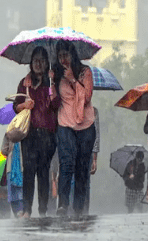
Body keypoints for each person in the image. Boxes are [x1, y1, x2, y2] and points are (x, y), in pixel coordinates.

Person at [12, 46, 59, 218]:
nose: (38, 64)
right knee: (29, 171)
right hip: (29, 134)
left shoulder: (51, 83)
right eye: (35, 60)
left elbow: (55, 105)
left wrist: (52, 85)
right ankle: (27, 210)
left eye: (42, 60)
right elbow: (15, 106)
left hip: (47, 134)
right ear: (31, 63)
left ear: (47, 63)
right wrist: (25, 105)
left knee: (43, 172)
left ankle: (43, 210)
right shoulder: (25, 83)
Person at [52, 40, 96, 217]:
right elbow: (54, 101)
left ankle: (79, 207)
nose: (63, 59)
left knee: (81, 168)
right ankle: (63, 204)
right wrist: (51, 82)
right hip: (65, 123)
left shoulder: (85, 72)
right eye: (60, 55)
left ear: (73, 55)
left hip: (85, 125)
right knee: (67, 164)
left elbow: (86, 97)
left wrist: (72, 79)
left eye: (66, 54)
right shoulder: (55, 75)